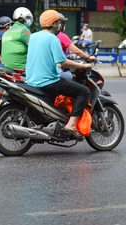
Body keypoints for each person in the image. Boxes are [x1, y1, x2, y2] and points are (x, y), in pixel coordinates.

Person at [26, 10, 92, 138]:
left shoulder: (33, 37)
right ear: (54, 23)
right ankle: (71, 125)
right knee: (83, 91)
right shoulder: (53, 39)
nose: (59, 26)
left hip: (31, 80)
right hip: (49, 81)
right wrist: (83, 65)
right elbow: (62, 61)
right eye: (58, 23)